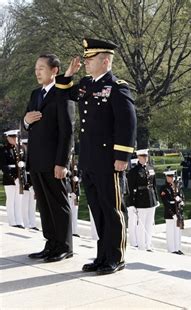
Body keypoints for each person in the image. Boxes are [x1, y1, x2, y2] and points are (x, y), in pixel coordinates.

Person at [56, 38, 137, 274]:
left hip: (109, 160)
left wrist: (122, 156)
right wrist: (68, 73)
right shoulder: (85, 84)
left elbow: (127, 123)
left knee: (112, 210)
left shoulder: (117, 86)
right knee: (97, 210)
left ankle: (117, 257)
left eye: (89, 59)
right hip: (89, 159)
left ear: (105, 60)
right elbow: (63, 94)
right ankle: (102, 256)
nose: (86, 63)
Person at [23, 53, 75, 262]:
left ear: (55, 71)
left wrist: (61, 162)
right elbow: (25, 124)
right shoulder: (35, 94)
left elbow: (68, 131)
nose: (37, 72)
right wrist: (25, 121)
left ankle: (64, 246)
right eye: (36, 69)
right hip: (36, 159)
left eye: (41, 68)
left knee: (58, 203)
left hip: (54, 160)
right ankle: (51, 243)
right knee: (44, 204)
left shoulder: (62, 93)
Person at [127, 149, 159, 252]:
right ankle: (141, 245)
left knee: (150, 223)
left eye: (146, 156)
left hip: (151, 199)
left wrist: (156, 199)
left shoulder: (150, 168)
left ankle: (148, 244)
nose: (145, 158)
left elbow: (154, 185)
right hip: (140, 200)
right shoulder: (134, 171)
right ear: (139, 157)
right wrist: (131, 204)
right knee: (141, 224)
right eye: (143, 156)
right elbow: (130, 189)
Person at [1, 130, 25, 228]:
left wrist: (21, 178)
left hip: (19, 178)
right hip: (9, 179)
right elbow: (4, 166)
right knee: (11, 200)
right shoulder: (3, 150)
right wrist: (13, 177)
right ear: (8, 138)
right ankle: (12, 221)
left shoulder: (18, 149)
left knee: (18, 201)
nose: (15, 139)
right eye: (13, 137)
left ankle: (19, 220)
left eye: (15, 137)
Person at [160, 170, 184, 255]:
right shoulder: (164, 188)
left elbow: (181, 195)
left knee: (177, 231)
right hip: (170, 213)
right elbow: (166, 203)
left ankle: (177, 248)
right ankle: (171, 249)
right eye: (170, 177)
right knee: (170, 231)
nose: (171, 178)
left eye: (172, 177)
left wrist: (180, 200)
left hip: (177, 211)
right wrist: (172, 214)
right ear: (166, 177)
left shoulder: (176, 186)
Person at [20, 139, 38, 230]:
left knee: (32, 205)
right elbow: (23, 171)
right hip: (27, 183)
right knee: (25, 204)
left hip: (33, 183)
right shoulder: (23, 156)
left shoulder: (34, 155)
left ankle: (32, 223)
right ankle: (26, 223)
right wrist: (27, 182)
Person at [67, 151, 81, 237]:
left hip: (76, 191)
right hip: (69, 191)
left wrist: (78, 179)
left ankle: (75, 231)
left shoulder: (77, 164)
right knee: (69, 211)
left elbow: (80, 175)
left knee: (75, 212)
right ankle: (69, 230)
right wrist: (70, 191)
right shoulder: (66, 164)